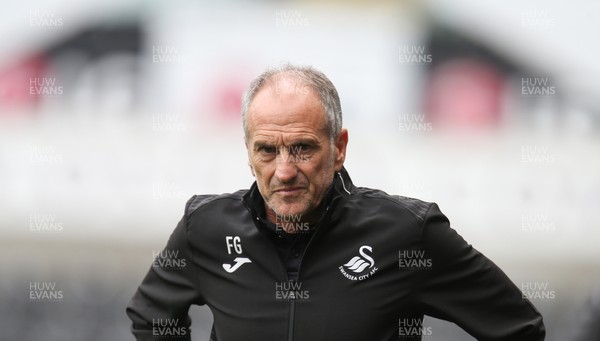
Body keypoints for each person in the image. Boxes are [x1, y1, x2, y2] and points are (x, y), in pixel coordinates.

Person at [126, 64, 545, 340]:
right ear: (248, 150)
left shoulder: (407, 233)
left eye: (303, 148)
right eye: (267, 150)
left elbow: (520, 329)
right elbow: (150, 317)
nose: (284, 171)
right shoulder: (206, 227)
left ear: (339, 147)